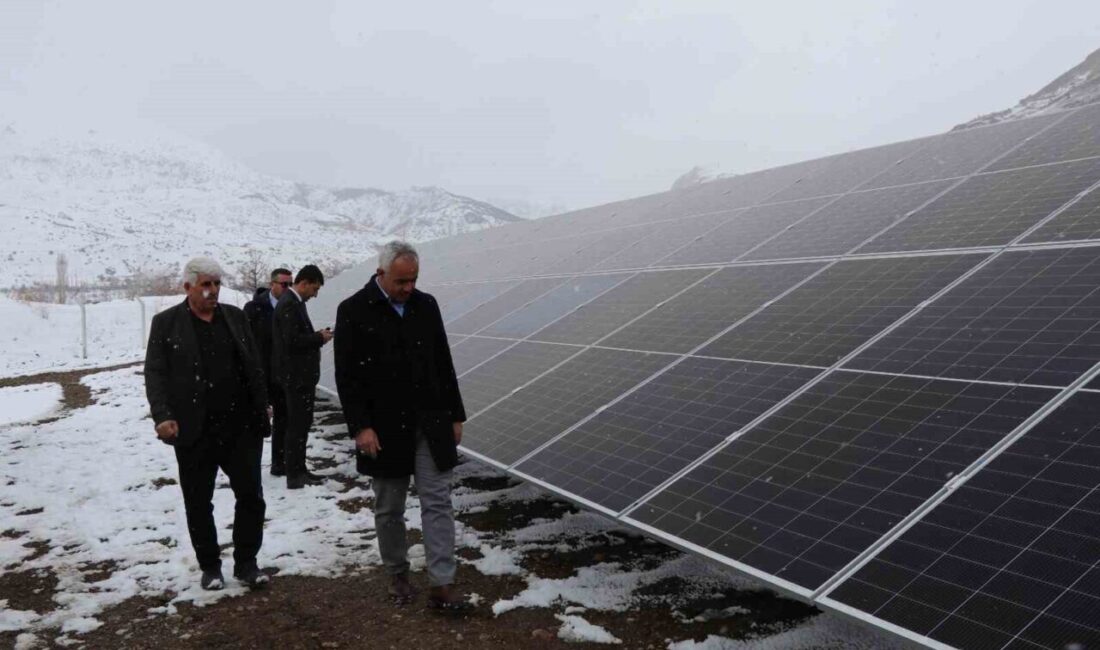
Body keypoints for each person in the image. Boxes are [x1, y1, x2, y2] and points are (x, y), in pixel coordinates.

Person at [334, 240, 469, 612]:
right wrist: (361, 427)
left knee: (438, 501)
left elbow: (443, 361)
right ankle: (397, 572)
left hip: (431, 420)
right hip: (384, 426)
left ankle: (442, 583)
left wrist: (456, 414)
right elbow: (347, 377)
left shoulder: (426, 306)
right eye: (401, 281)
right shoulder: (353, 311)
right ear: (381, 274)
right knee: (390, 506)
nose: (408, 288)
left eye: (413, 280)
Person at [144, 257, 271, 590]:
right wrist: (163, 415)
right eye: (205, 284)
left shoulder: (235, 317)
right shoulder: (166, 324)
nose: (212, 291)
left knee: (251, 497)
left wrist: (262, 403)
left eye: (216, 284)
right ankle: (210, 567)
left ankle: (247, 563)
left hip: (240, 427)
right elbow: (155, 374)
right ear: (187, 287)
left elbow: (253, 362)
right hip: (194, 430)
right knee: (199, 502)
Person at [272, 264, 333, 489]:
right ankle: (295, 474)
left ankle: (299, 469)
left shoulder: (294, 303)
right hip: (296, 378)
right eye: (314, 288)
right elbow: (292, 341)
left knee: (299, 425)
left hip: (299, 377)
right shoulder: (289, 304)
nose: (315, 294)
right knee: (296, 426)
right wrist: (319, 338)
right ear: (304, 283)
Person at [244, 267, 293, 477]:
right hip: (260, 372)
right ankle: (249, 465)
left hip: (281, 373)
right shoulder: (253, 308)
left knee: (283, 419)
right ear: (272, 284)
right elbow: (246, 341)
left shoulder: (292, 306)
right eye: (284, 284)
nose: (288, 288)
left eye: (290, 284)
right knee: (257, 420)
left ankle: (278, 463)